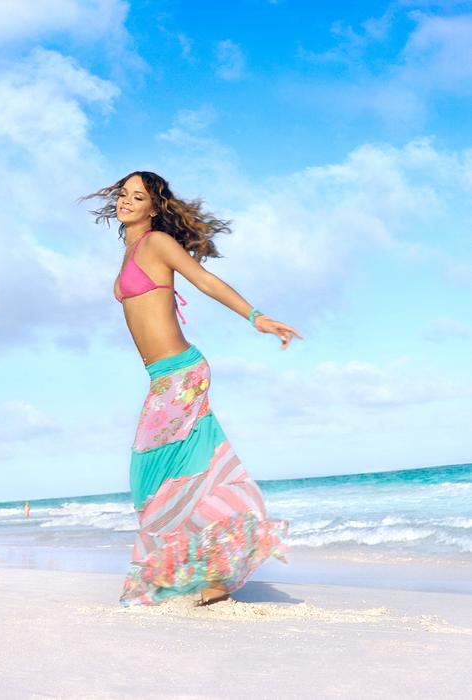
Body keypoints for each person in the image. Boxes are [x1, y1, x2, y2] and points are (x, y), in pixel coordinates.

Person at [82, 171, 303, 607]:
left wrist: (256, 317)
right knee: (170, 476)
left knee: (153, 477)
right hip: (163, 377)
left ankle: (207, 572)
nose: (126, 201)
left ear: (154, 207)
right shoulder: (130, 251)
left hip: (181, 374)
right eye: (124, 194)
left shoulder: (157, 243)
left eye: (138, 197)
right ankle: (201, 571)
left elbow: (204, 280)